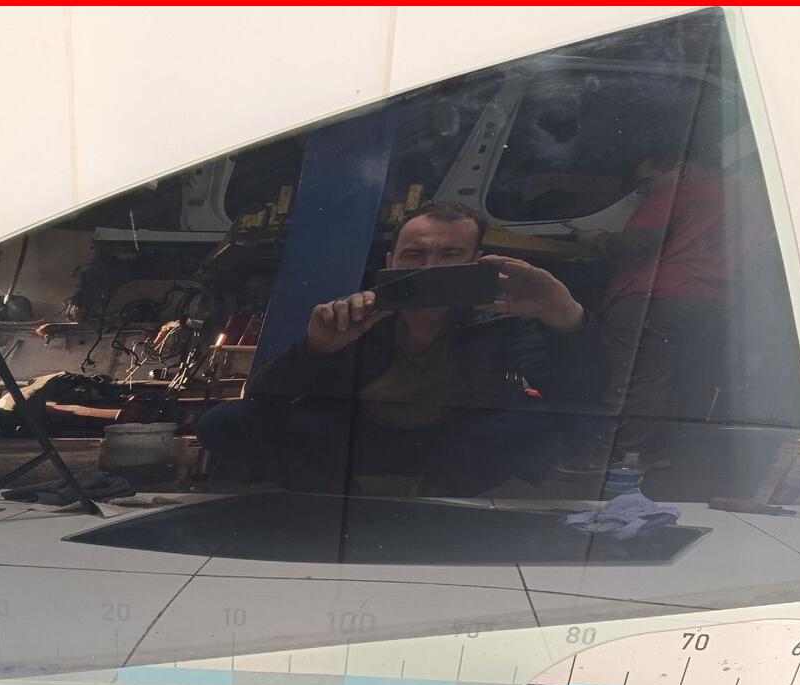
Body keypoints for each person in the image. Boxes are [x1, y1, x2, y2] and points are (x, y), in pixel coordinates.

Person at [195, 202, 606, 496]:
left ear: (477, 261)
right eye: (414, 254)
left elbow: (581, 397)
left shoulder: (500, 318)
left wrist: (566, 318)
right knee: (224, 422)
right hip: (359, 439)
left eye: (450, 255)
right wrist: (316, 349)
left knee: (573, 422)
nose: (429, 267)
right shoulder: (358, 315)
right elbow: (263, 397)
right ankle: (338, 496)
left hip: (456, 443)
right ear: (391, 260)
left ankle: (441, 497)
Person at [558, 143, 737, 474]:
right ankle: (656, 450)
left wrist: (594, 238)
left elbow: (636, 243)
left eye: (648, 181)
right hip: (714, 301)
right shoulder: (745, 195)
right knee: (675, 378)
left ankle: (618, 455)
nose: (643, 191)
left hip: (654, 297)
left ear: (682, 169)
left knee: (631, 378)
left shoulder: (676, 192)